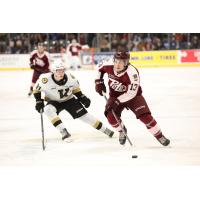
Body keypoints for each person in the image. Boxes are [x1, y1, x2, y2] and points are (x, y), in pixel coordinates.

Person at [95, 51, 170, 146]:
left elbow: (131, 93)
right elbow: (99, 69)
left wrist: (116, 102)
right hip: (115, 95)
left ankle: (159, 136)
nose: (118, 64)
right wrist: (98, 82)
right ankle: (122, 130)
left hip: (133, 97)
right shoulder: (108, 63)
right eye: (116, 61)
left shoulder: (132, 72)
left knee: (146, 117)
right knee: (111, 117)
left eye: (121, 62)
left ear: (126, 63)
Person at [33, 61, 114, 142]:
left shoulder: (70, 78)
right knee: (47, 109)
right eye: (58, 70)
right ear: (53, 71)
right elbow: (36, 89)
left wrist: (82, 97)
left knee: (85, 117)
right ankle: (63, 131)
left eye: (62, 70)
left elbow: (75, 89)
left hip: (69, 100)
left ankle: (105, 130)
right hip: (53, 101)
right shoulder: (45, 79)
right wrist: (38, 101)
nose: (61, 72)